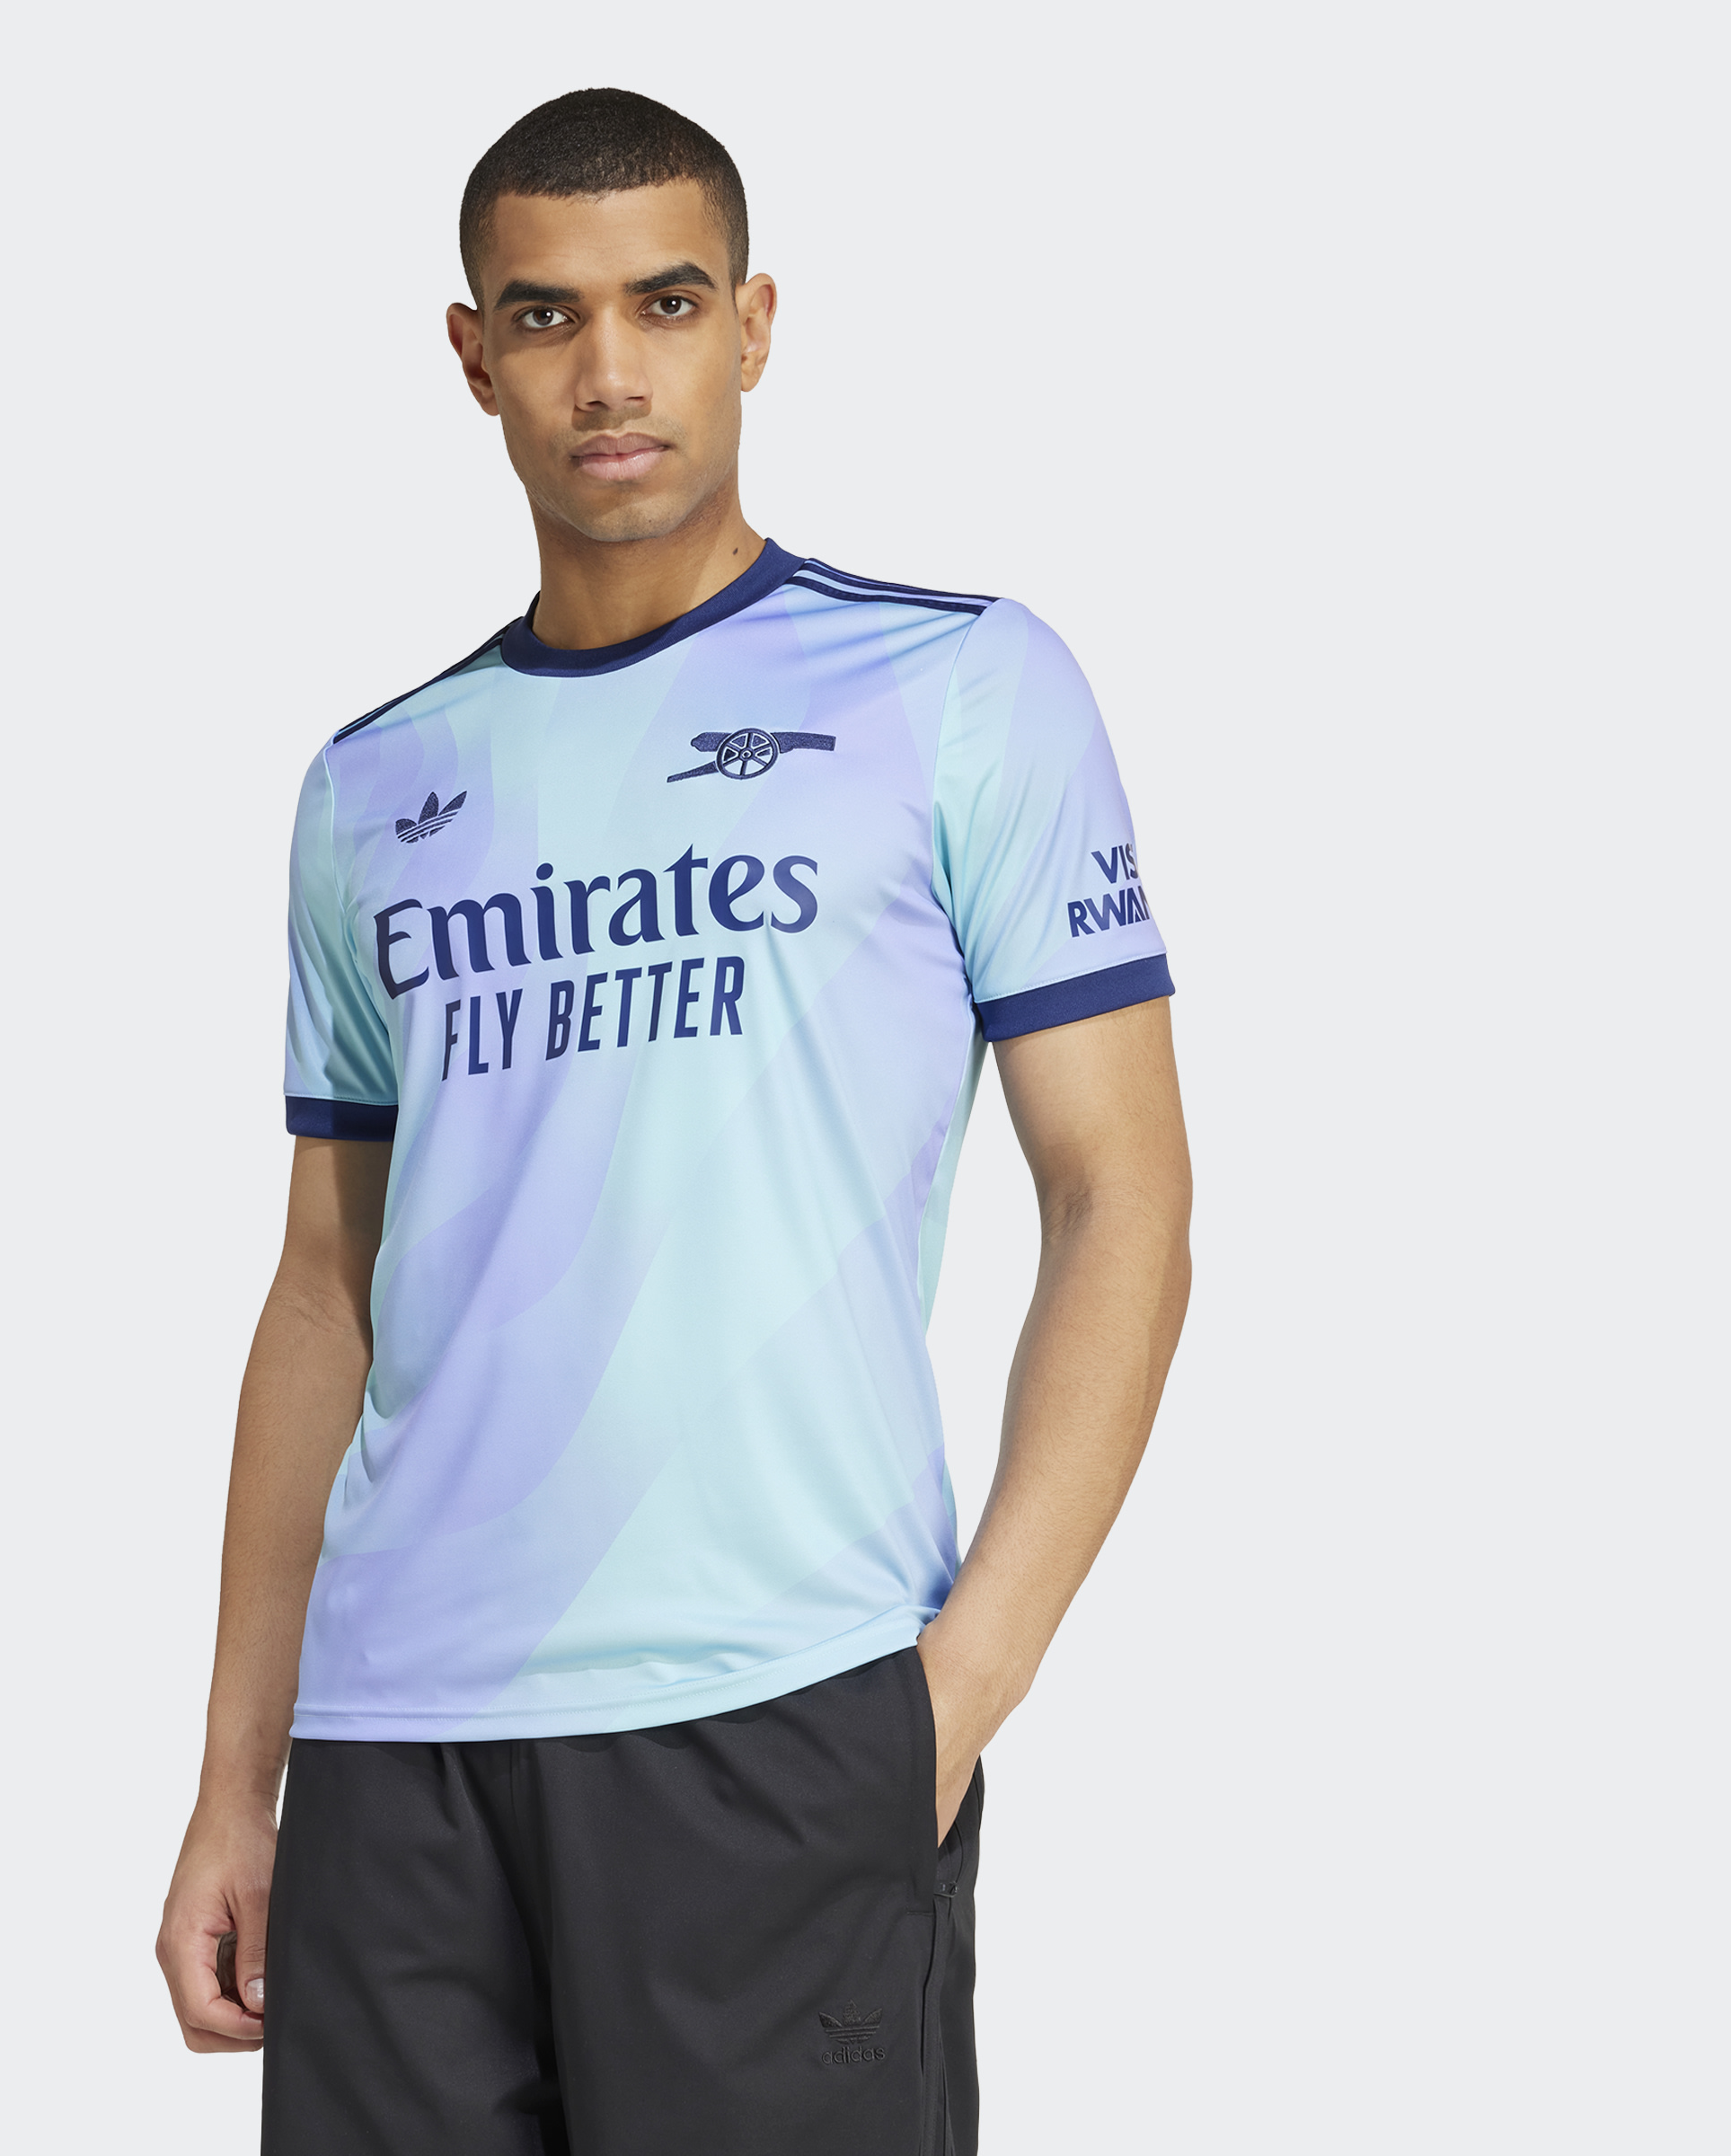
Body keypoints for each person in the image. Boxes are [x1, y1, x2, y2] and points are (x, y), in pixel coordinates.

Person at [155, 86, 1193, 2156]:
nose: (608, 373)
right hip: (396, 1753)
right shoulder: (375, 784)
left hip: (776, 1713)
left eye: (667, 302)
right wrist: (235, 1782)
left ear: (756, 325)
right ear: (474, 356)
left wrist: (952, 1696)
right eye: (546, 316)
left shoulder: (958, 690)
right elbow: (324, 1291)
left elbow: (1124, 1200)